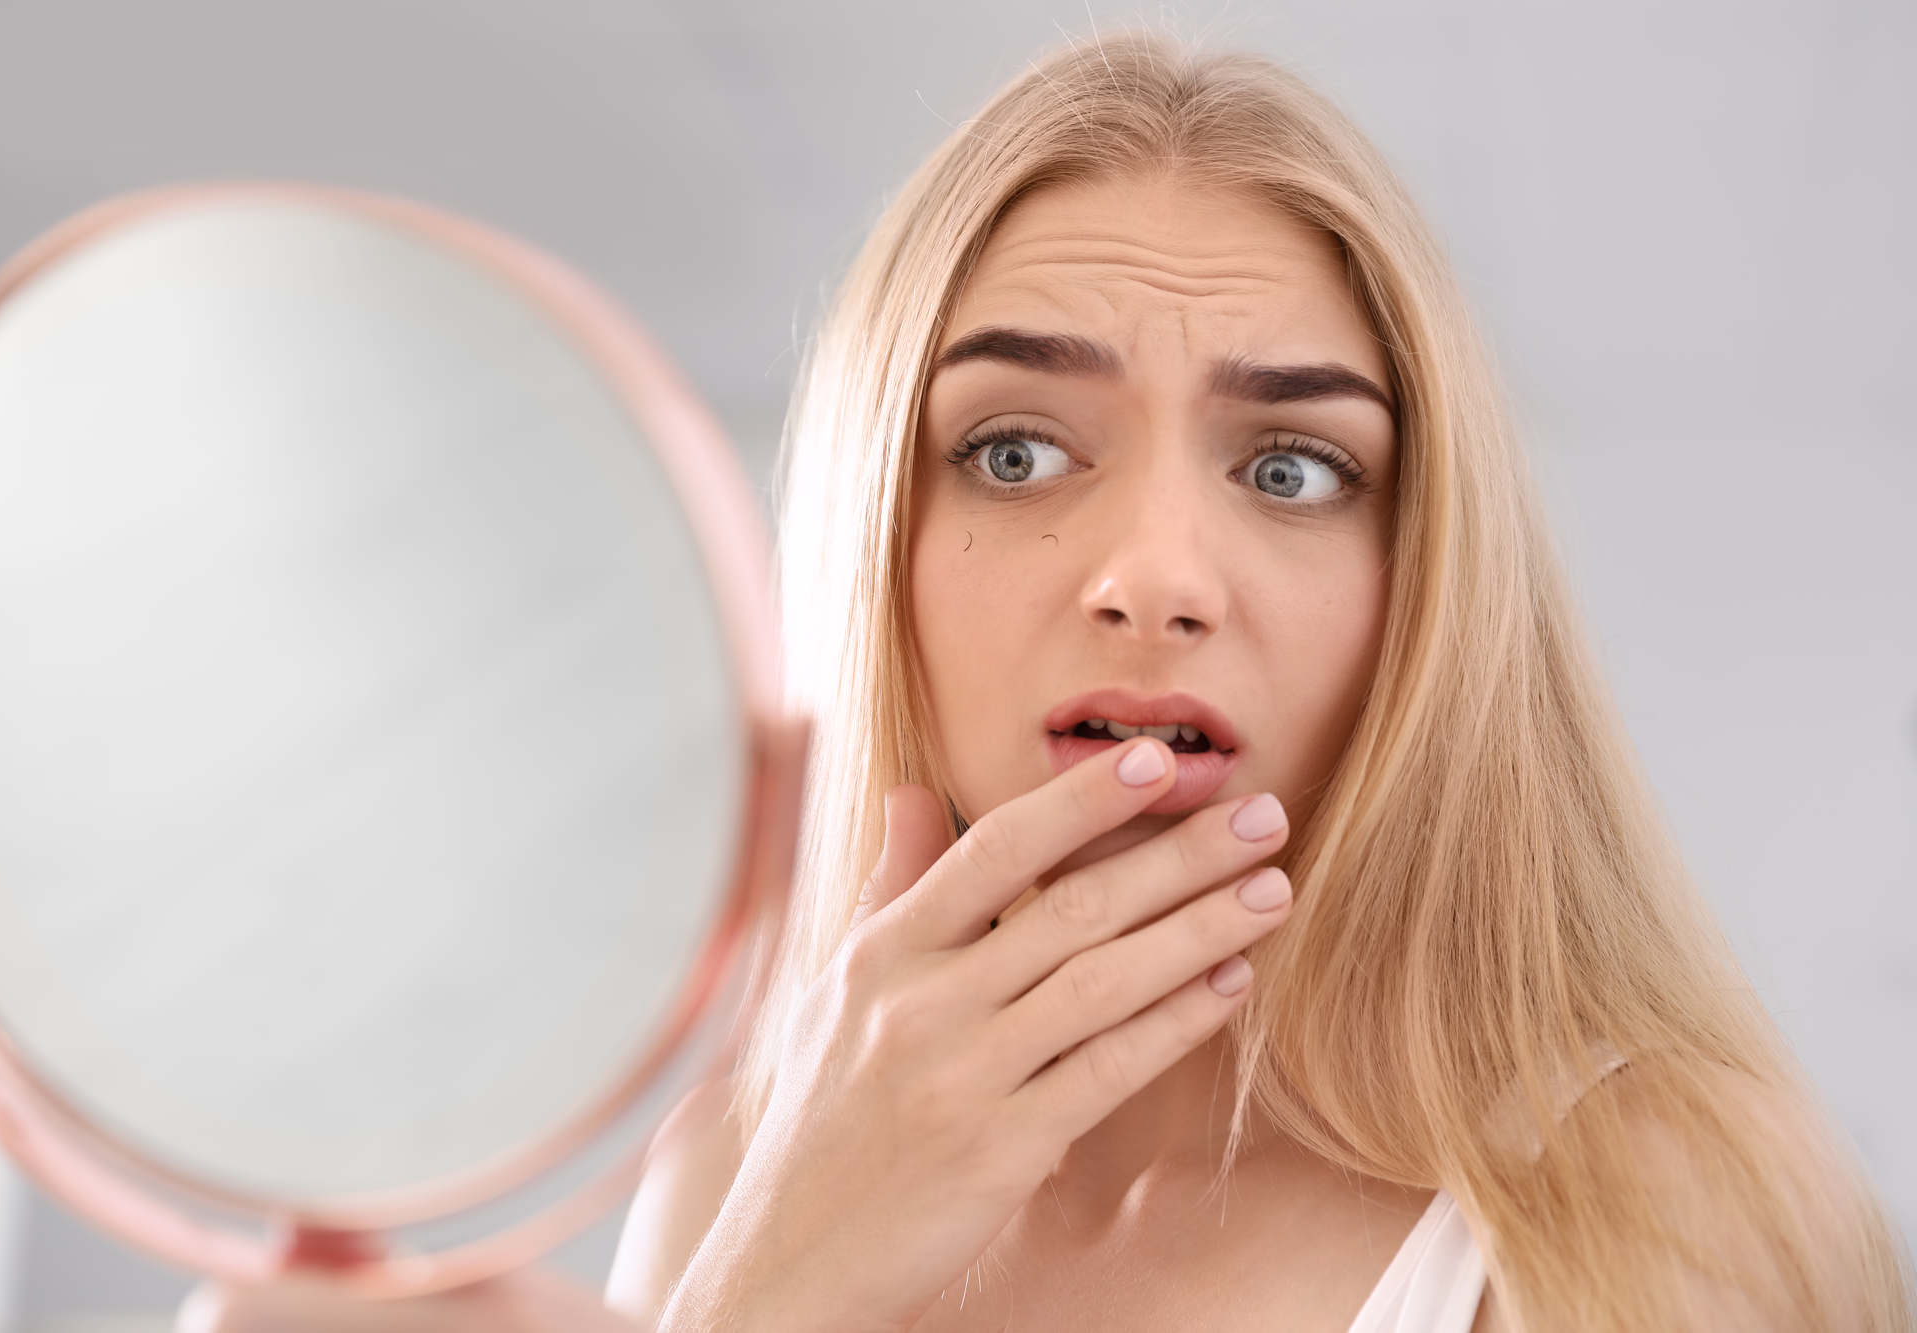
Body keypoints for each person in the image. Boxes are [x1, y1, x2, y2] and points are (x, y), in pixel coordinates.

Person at [192, 30, 1912, 1333]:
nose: (1156, 577)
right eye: (1014, 451)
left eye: (1295, 468)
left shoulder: (1651, 1203)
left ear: (1427, 591)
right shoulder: (736, 1175)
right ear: (878, 550)